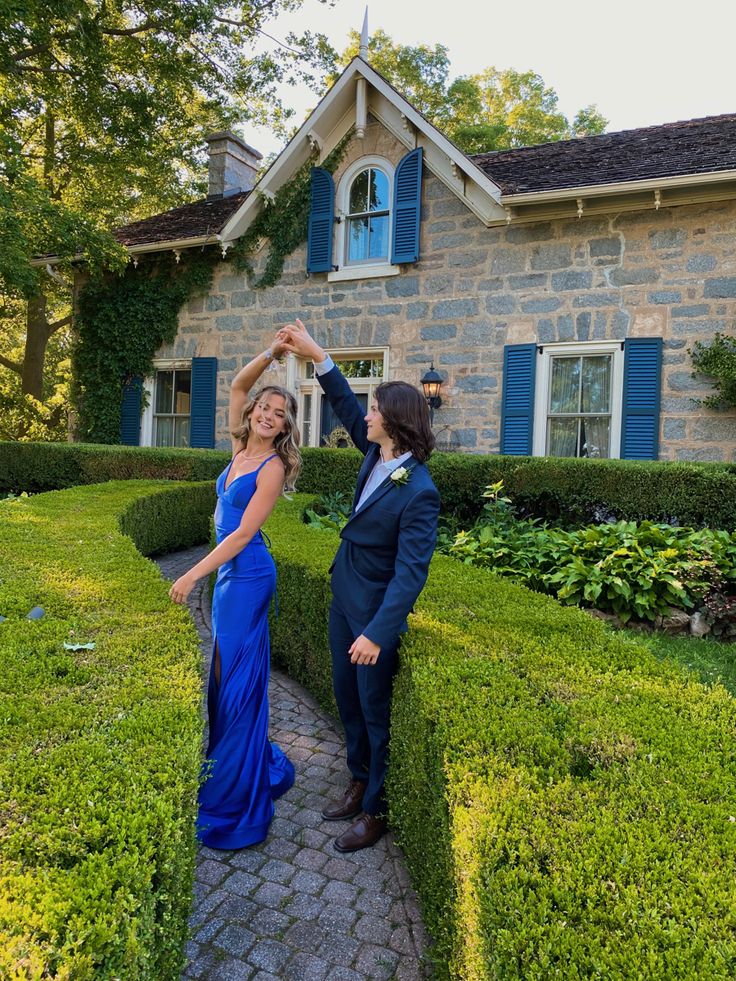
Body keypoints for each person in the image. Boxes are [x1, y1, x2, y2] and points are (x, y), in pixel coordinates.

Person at [278, 319, 440, 852]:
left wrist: (377, 633)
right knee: (347, 700)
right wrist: (317, 355)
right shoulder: (376, 454)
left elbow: (411, 572)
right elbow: (345, 402)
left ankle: (376, 810)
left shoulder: (419, 491)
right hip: (342, 598)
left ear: (393, 422)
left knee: (375, 711)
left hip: (372, 618)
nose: (364, 416)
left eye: (375, 410)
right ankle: (357, 780)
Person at [169, 336, 300, 849]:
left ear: (287, 426)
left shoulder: (273, 467)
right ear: (252, 414)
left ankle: (233, 788)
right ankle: (231, 755)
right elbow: (239, 383)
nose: (268, 415)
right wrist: (272, 353)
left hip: (248, 576)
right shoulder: (238, 447)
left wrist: (190, 574)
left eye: (279, 413)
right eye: (264, 408)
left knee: (235, 674)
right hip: (230, 577)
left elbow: (243, 535)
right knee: (224, 671)